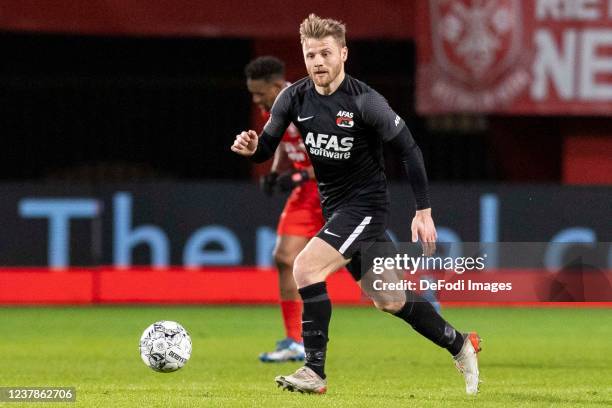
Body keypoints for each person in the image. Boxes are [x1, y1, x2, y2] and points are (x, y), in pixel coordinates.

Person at [232, 15, 481, 395]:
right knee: (390, 299)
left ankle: (314, 371)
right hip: (338, 209)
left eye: (325, 53)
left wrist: (423, 210)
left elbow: (410, 149)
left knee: (305, 267)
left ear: (343, 54)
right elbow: (266, 147)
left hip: (365, 207)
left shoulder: (365, 101)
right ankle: (460, 343)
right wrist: (253, 151)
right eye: (310, 54)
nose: (317, 61)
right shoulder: (293, 97)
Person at [244, 56, 325, 362]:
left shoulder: (309, 106)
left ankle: (422, 302)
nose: (256, 100)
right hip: (306, 194)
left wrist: (301, 174)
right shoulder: (277, 109)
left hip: (336, 191)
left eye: (259, 93)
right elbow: (283, 143)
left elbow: (336, 156)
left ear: (277, 86)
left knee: (374, 272)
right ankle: (294, 341)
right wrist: (276, 172)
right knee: (284, 257)